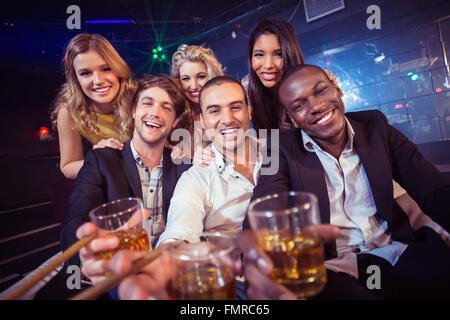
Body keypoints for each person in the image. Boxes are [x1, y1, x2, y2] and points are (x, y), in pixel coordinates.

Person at [244, 64, 450, 299]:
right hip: (336, 266)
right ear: (292, 118)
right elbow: (263, 206)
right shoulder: (278, 146)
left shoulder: (376, 125)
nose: (316, 107)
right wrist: (258, 256)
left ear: (337, 89)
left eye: (321, 91)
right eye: (299, 106)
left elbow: (431, 188)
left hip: (398, 249)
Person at [60, 74, 191, 271]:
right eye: (148, 103)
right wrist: (88, 251)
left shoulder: (184, 168)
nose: (155, 113)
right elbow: (75, 220)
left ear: (175, 121)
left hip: (167, 273)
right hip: (115, 273)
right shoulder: (101, 160)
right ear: (133, 111)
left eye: (166, 107)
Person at [194, 18, 338, 166]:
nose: (268, 65)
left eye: (278, 54)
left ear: (290, 53)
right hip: (275, 164)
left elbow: (338, 129)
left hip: (319, 160)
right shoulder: (247, 87)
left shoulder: (319, 81)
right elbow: (224, 126)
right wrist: (204, 151)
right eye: (259, 55)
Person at [156, 76, 261, 248]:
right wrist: (171, 254)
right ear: (203, 121)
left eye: (235, 107)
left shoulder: (277, 151)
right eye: (214, 111)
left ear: (249, 111)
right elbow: (179, 231)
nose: (227, 119)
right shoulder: (195, 179)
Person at [51, 33, 136, 179]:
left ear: (118, 68)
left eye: (106, 69)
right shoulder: (69, 111)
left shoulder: (140, 97)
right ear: (75, 78)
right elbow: (68, 166)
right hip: (116, 184)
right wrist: (98, 160)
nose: (98, 80)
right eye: (85, 73)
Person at [168, 44, 224, 160]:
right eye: (186, 79)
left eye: (201, 77)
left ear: (212, 76)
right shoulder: (173, 114)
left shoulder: (226, 110)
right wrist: (169, 150)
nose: (193, 86)